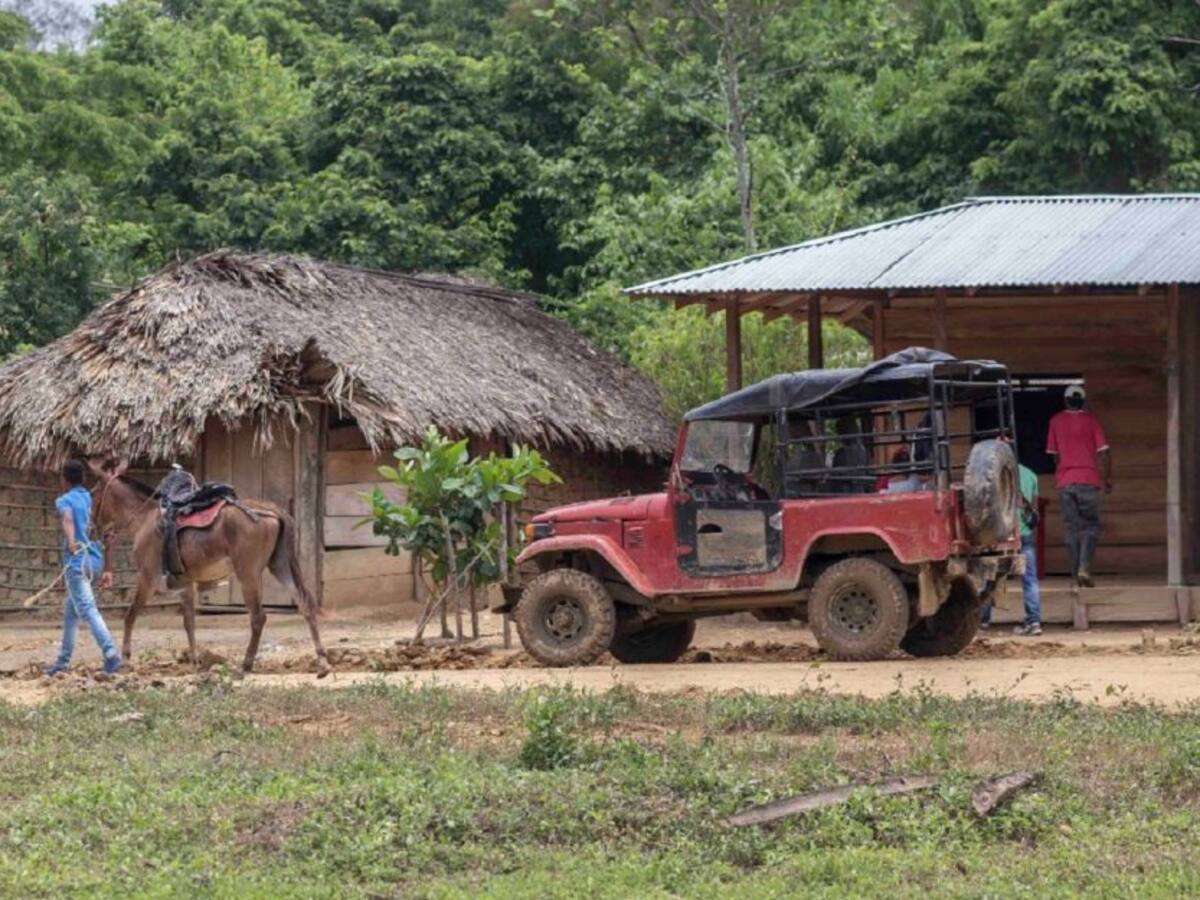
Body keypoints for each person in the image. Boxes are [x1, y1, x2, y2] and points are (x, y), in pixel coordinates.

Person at [42, 460, 122, 675]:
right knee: (71, 613)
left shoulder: (64, 500)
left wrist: (70, 541)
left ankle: (111, 653)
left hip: (77, 563)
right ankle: (62, 661)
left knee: (87, 609)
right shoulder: (88, 497)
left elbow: (68, 519)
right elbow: (100, 489)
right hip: (94, 561)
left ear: (64, 479)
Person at [1047, 384, 1111, 587]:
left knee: (1071, 529)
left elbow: (1054, 456)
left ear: (1066, 400)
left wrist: (1061, 474)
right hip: (1089, 479)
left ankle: (1076, 575)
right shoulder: (1091, 421)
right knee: (1091, 526)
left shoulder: (1055, 421)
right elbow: (1104, 452)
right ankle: (1084, 568)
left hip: (1066, 482)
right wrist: (1107, 478)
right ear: (1082, 401)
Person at [981, 450, 1042, 635]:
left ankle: (983, 621)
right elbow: (1034, 508)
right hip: (1024, 533)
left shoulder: (992, 476)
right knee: (1030, 580)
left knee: (989, 576)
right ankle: (1034, 622)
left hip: (1001, 535)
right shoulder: (1030, 474)